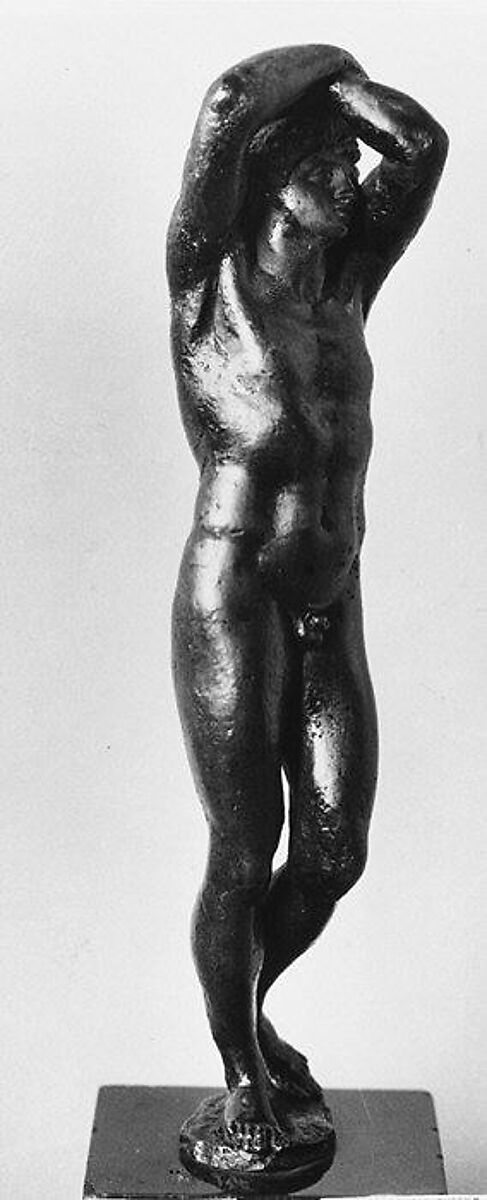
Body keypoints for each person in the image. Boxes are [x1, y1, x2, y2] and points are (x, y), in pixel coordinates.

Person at [167, 45, 448, 1156]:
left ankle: (245, 1007)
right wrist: (333, 70)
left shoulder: (346, 288)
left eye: (347, 159)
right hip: (234, 592)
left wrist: (348, 101)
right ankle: (242, 1068)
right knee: (245, 850)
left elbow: (419, 145)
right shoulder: (209, 285)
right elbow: (231, 102)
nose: (349, 176)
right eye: (324, 163)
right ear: (269, 180)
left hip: (333, 597)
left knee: (331, 854)